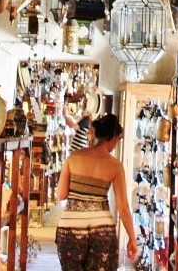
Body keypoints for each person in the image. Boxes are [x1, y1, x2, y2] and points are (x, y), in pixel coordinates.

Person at [55, 113, 138, 270]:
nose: (116, 144)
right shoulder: (115, 166)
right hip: (102, 230)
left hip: (70, 228)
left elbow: (61, 195)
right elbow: (123, 207)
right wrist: (132, 238)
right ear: (113, 136)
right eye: (117, 139)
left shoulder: (73, 157)